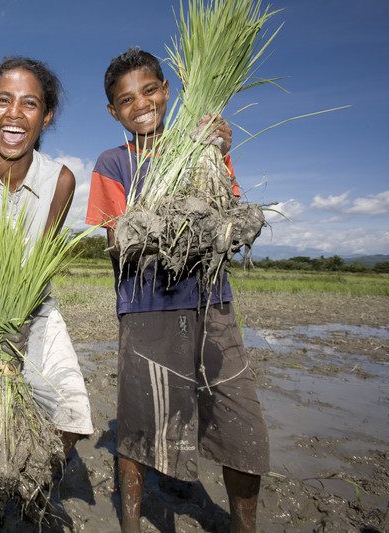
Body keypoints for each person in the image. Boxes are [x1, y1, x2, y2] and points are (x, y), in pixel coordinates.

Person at [85, 48, 269, 533]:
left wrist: (219, 152)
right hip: (146, 310)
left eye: (149, 91)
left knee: (241, 425)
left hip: (213, 306)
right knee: (140, 428)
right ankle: (130, 524)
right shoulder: (112, 162)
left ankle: (243, 526)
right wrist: (161, 224)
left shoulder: (200, 150)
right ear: (113, 112)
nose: (141, 104)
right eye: (126, 100)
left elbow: (225, 214)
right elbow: (116, 242)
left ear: (167, 91)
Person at [0, 57, 94, 459]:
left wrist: (20, 321)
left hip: (35, 306)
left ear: (46, 117)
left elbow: (43, 260)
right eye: (3, 101)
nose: (14, 114)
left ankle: (32, 479)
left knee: (71, 412)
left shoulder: (60, 180)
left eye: (29, 103)